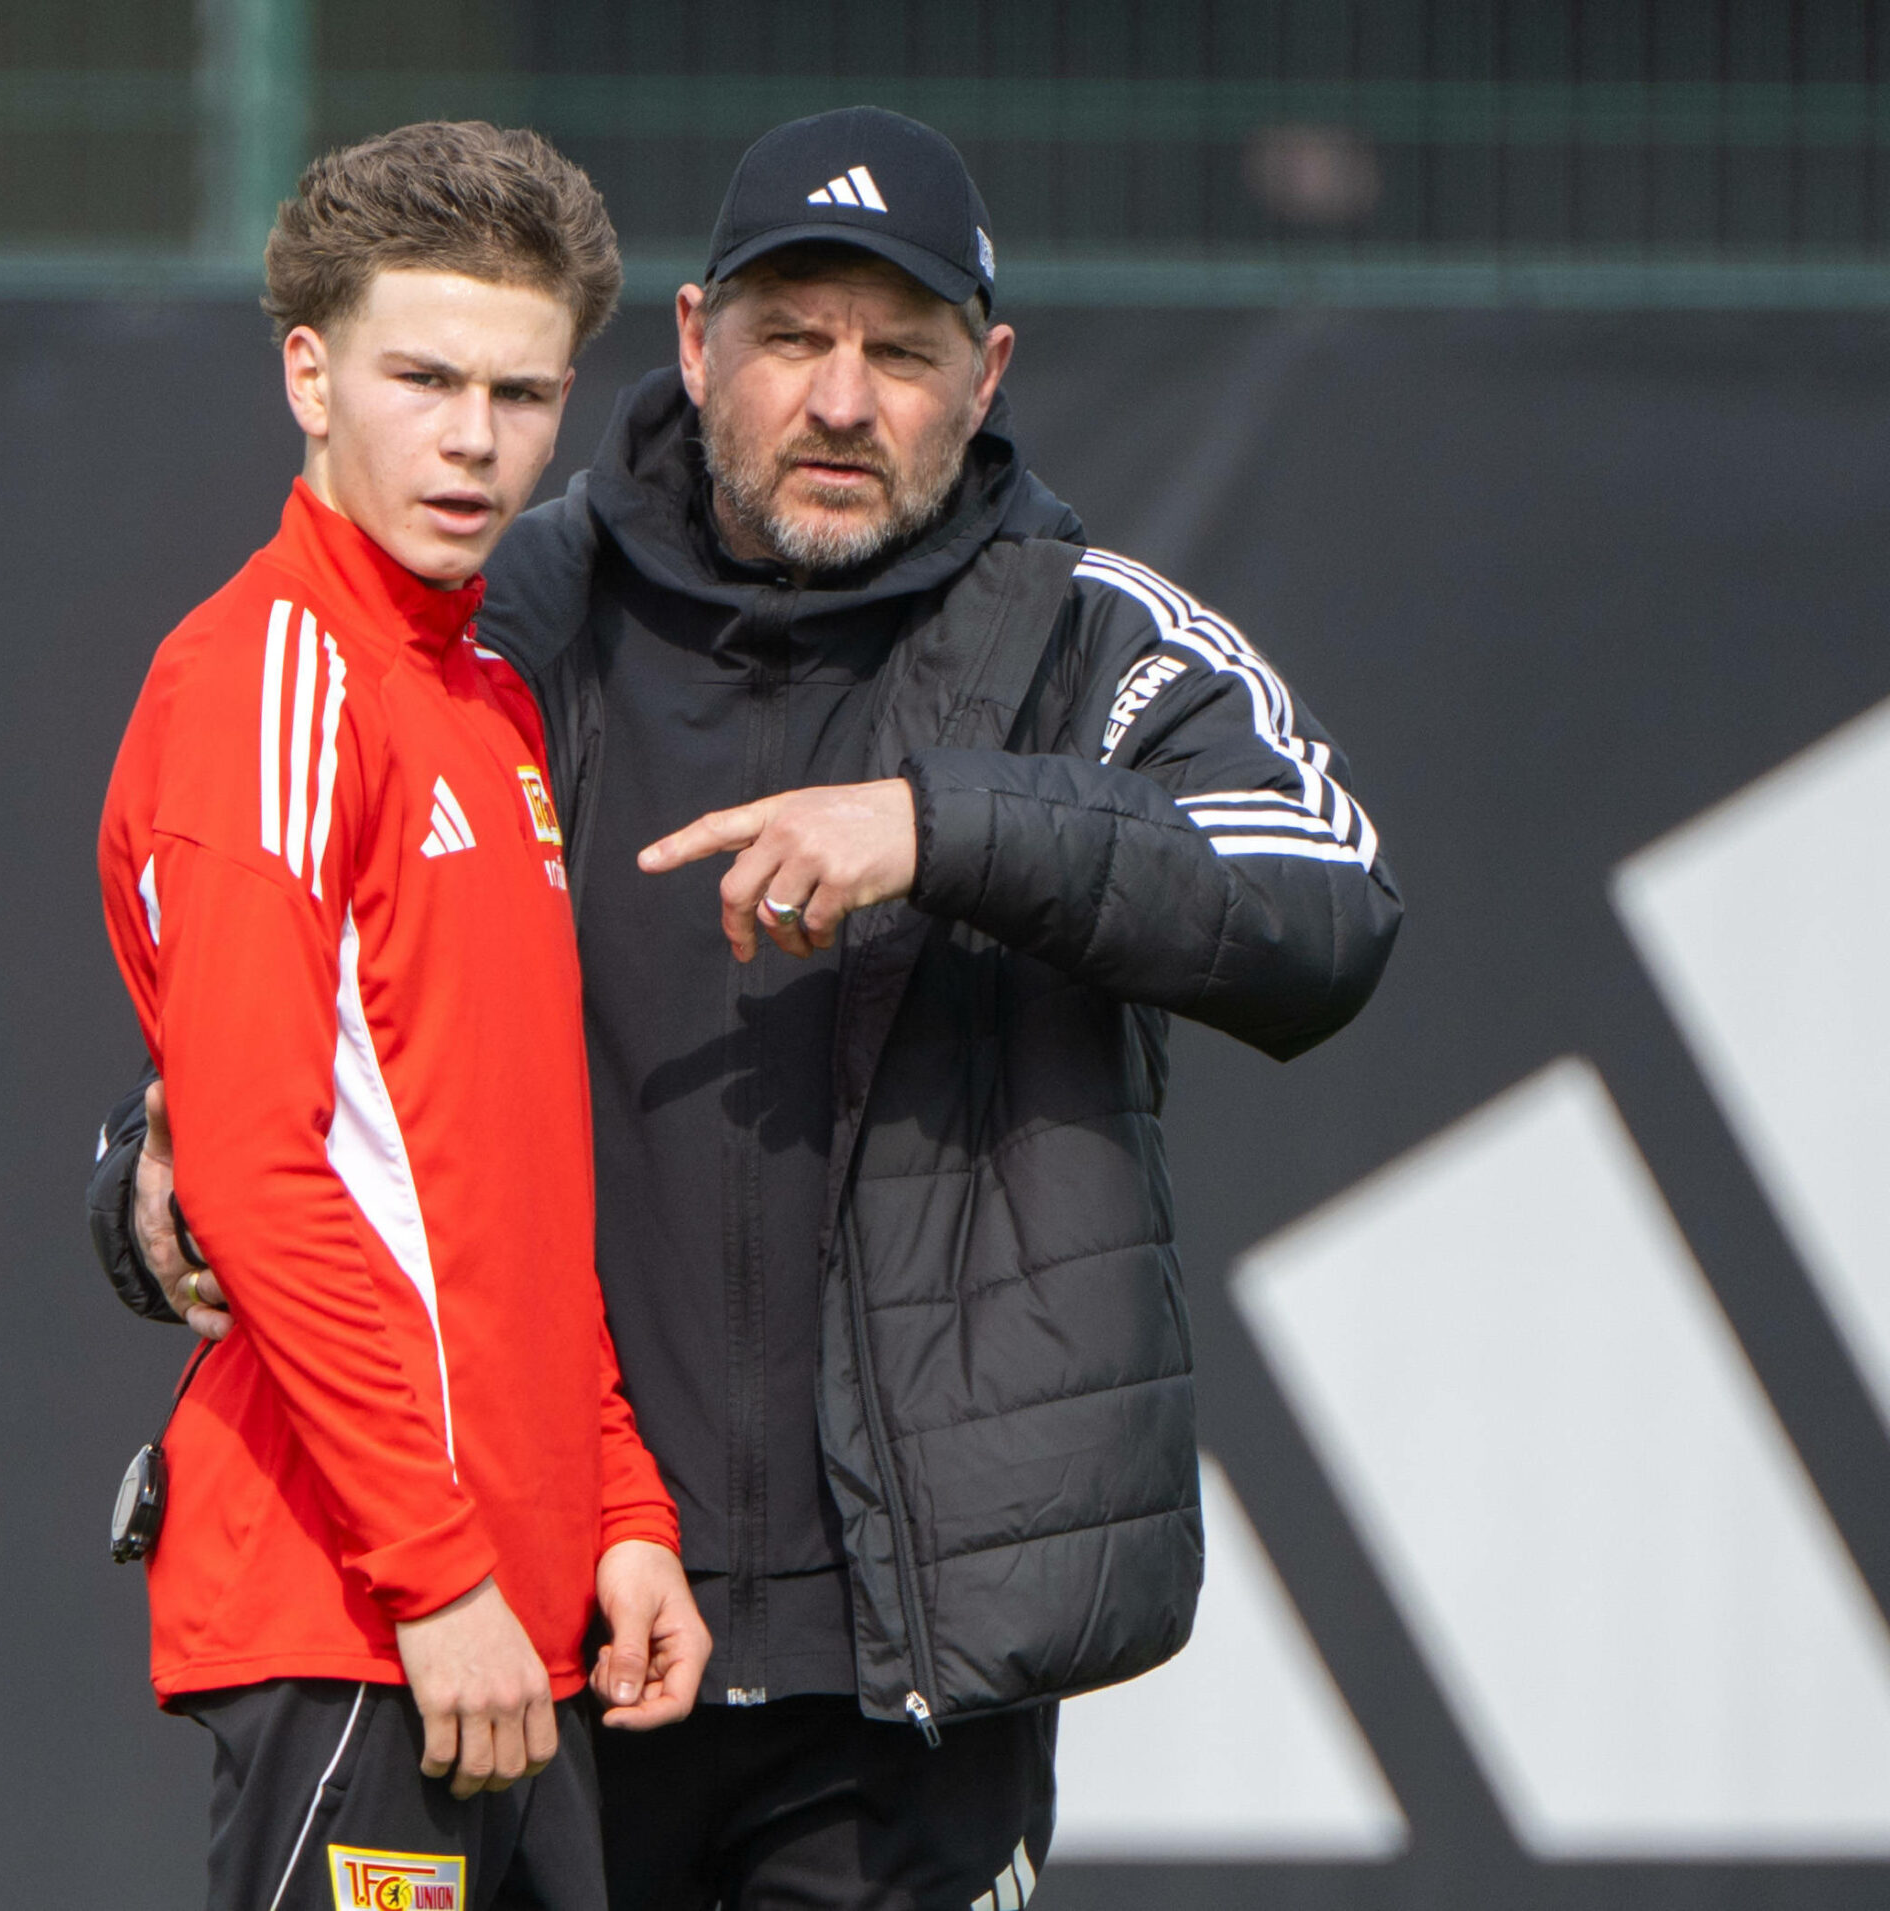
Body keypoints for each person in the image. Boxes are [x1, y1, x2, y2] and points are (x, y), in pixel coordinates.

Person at [93, 107, 1402, 1908]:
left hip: (913, 1676)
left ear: (989, 372)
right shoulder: (501, 617)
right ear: (699, 343)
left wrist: (942, 824)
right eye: (796, 339)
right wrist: (153, 1179)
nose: (844, 400)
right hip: (577, 1632)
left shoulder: (1095, 638)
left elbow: (1332, 906)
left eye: (903, 350)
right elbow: (311, 1041)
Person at [92, 120, 706, 1911]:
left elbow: (505, 1189)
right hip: (361, 1615)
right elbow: (262, 1178)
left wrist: (618, 1522)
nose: (471, 439)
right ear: (308, 371)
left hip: (514, 1622)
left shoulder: (488, 697)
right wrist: (438, 1581)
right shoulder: (265, 679)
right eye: (420, 377)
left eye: (520, 393)